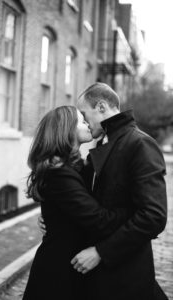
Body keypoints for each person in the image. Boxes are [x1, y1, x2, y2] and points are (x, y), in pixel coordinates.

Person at [22, 105, 132, 300]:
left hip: (71, 266)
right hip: (57, 274)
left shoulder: (74, 166)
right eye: (82, 121)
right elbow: (99, 220)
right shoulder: (59, 174)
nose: (88, 124)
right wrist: (135, 211)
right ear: (67, 129)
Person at [70, 82, 168, 300]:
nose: (84, 122)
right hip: (98, 278)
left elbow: (154, 216)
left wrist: (101, 252)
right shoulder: (104, 141)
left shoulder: (140, 144)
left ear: (102, 107)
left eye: (85, 115)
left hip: (125, 275)